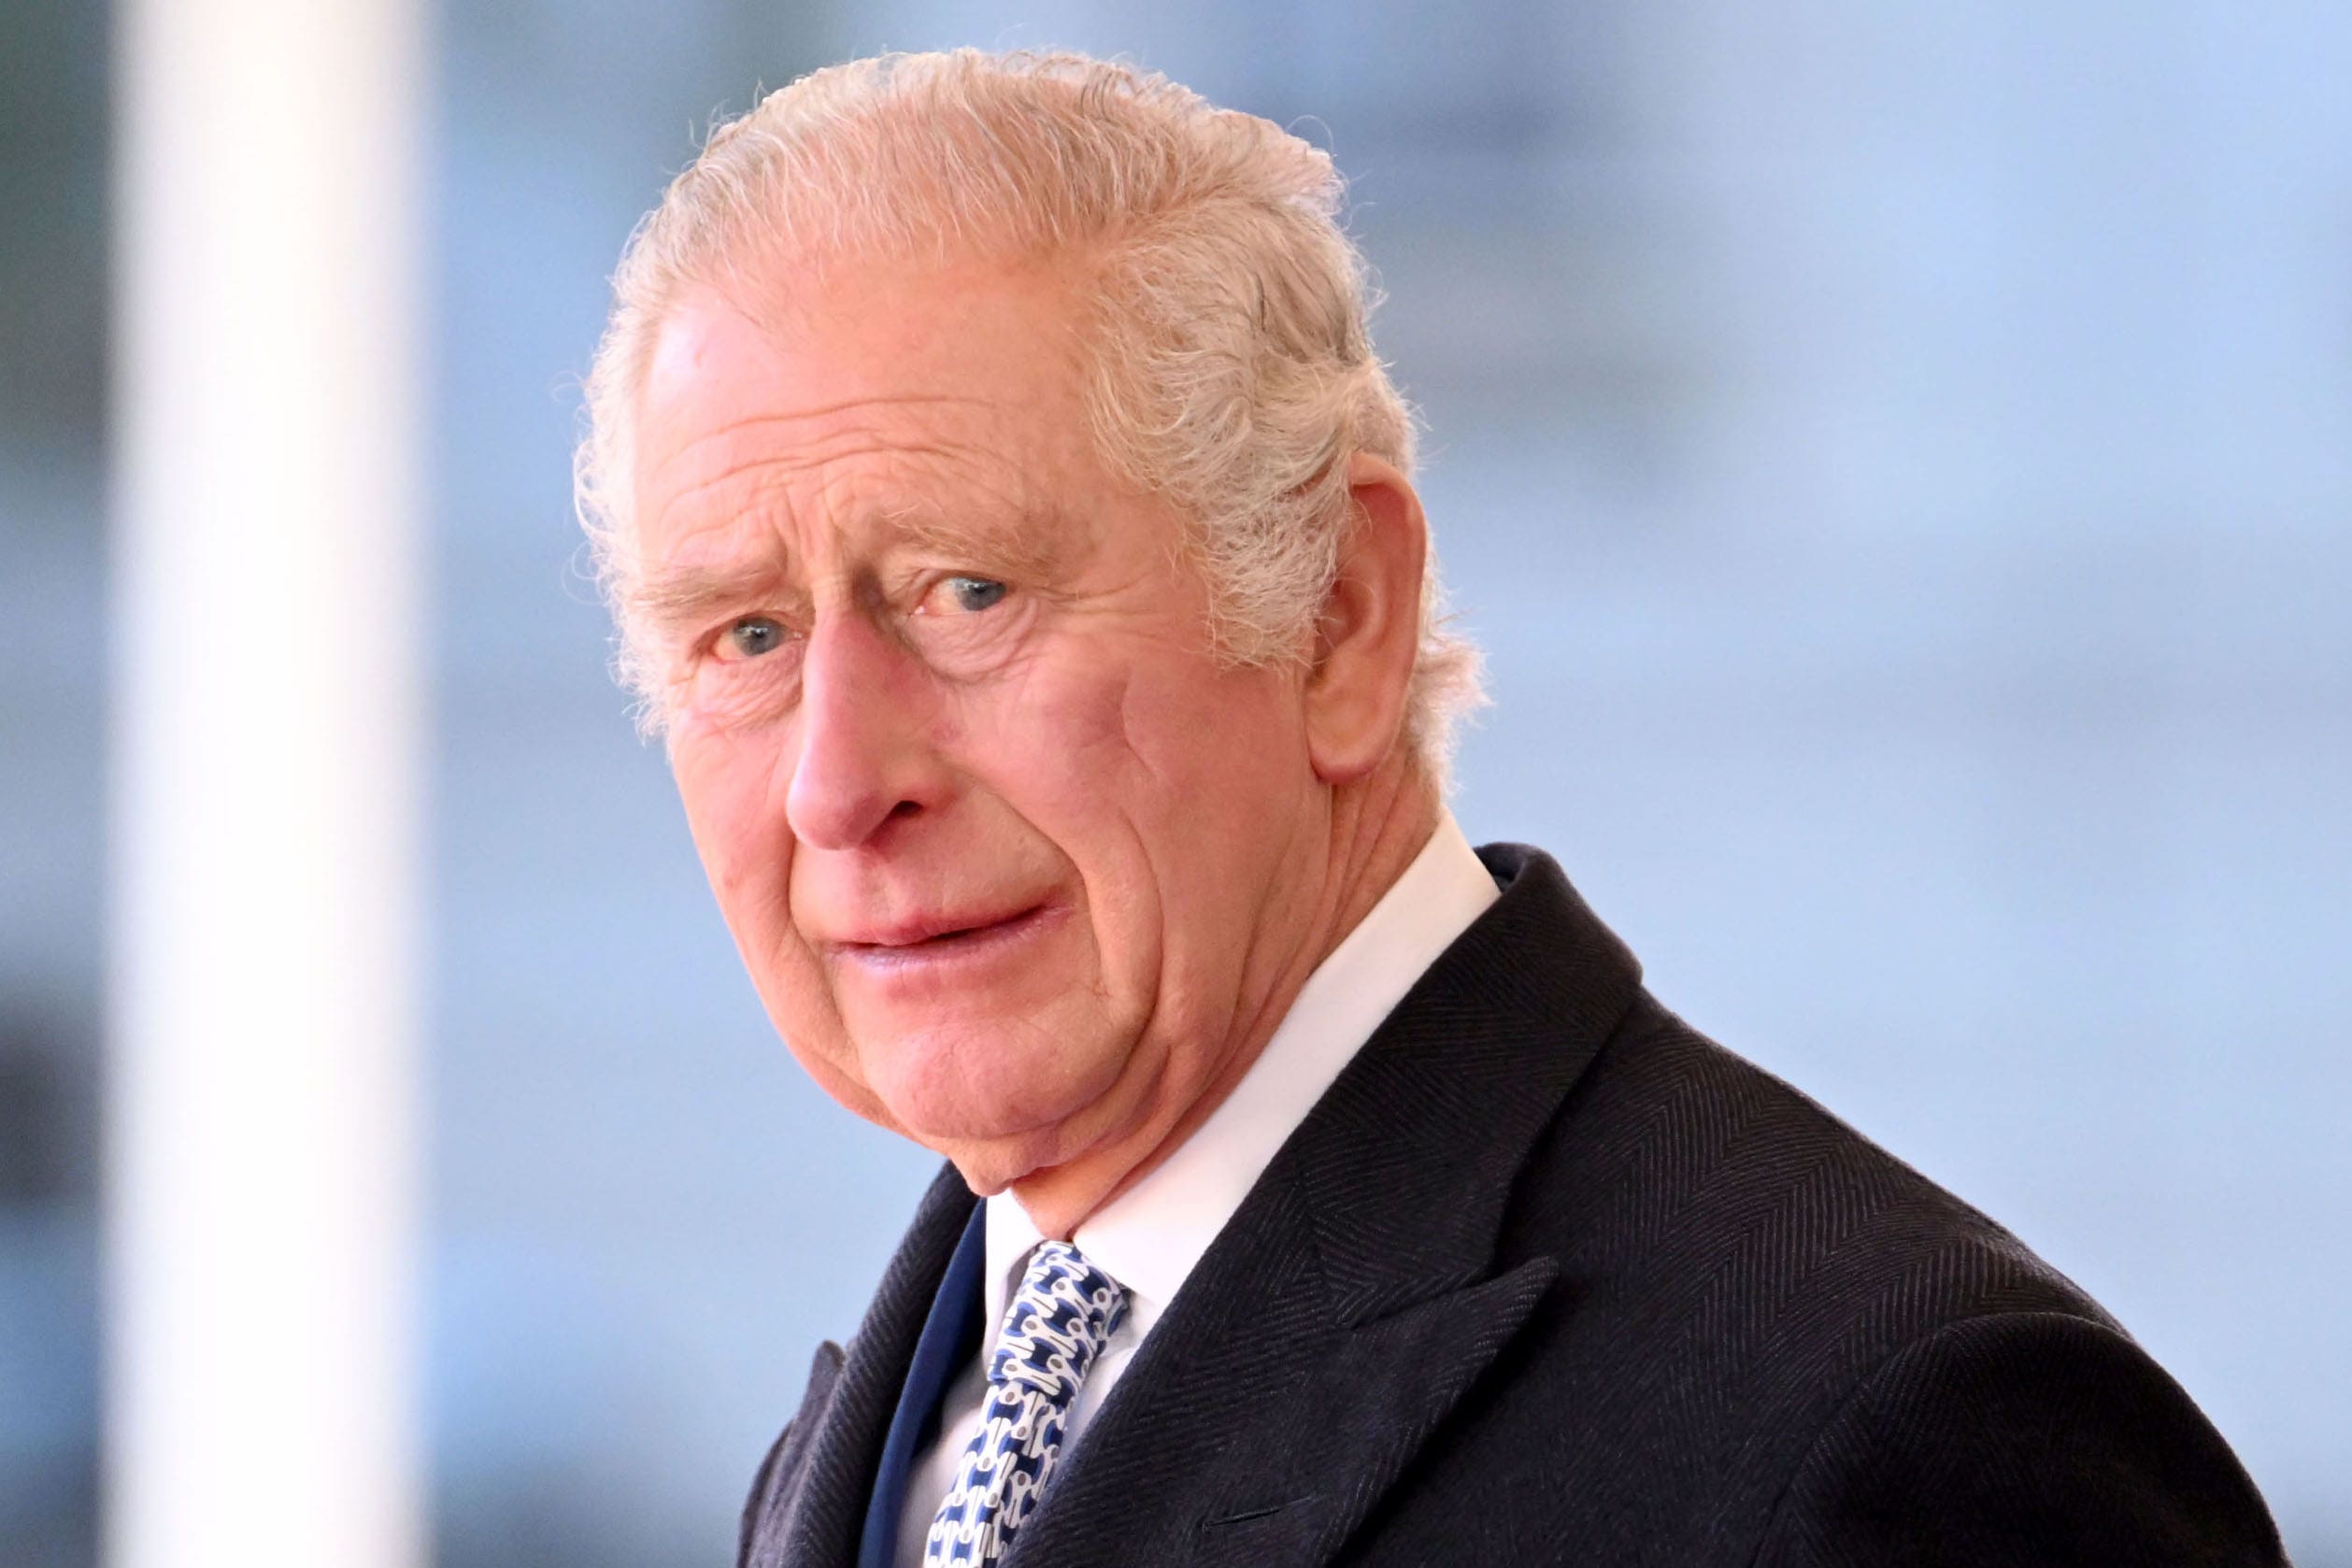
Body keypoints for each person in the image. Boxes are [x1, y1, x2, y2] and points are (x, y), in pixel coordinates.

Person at [576, 49, 2286, 1568]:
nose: (834, 781)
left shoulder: (1889, 1439)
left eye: (964, 592)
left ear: (1334, 612)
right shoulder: (890, 1432)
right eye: (746, 633)